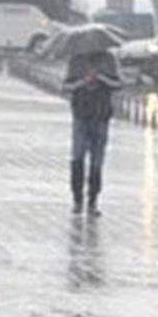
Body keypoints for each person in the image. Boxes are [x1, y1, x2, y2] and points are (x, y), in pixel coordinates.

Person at [63, 50, 121, 216]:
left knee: (97, 161)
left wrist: (101, 78)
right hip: (81, 115)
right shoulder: (76, 59)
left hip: (101, 116)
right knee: (77, 157)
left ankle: (93, 201)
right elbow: (66, 86)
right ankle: (77, 200)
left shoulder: (108, 59)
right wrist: (83, 81)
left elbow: (117, 84)